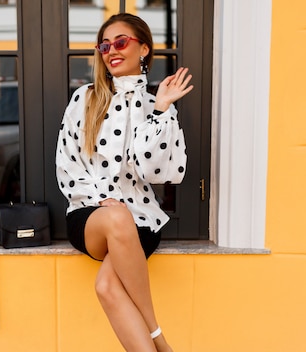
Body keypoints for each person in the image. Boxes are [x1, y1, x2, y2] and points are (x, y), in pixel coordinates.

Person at [55, 13, 193, 352]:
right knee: (117, 216)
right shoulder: (85, 99)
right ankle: (159, 337)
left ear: (144, 48)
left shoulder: (157, 105)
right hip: (90, 217)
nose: (111, 51)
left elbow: (158, 173)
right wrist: (105, 199)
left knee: (107, 287)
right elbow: (67, 164)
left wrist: (160, 110)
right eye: (104, 45)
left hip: (142, 221)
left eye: (120, 42)